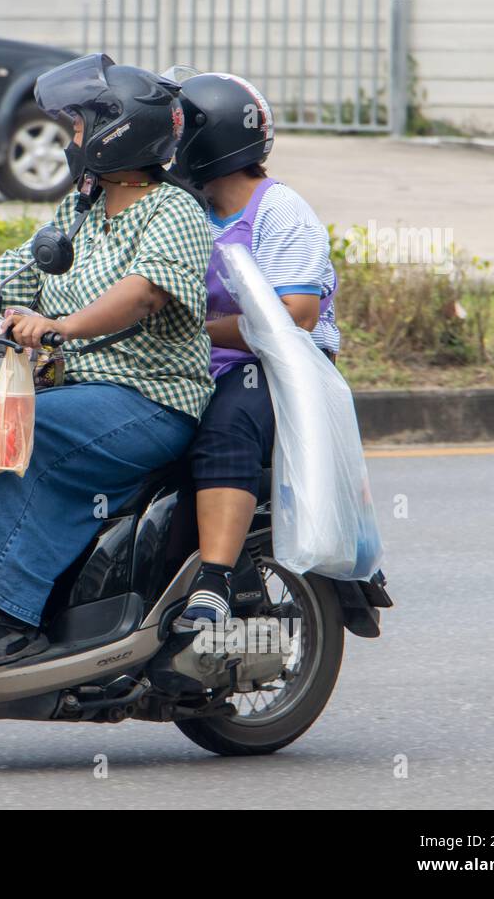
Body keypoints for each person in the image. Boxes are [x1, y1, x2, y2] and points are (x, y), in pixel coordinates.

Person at [0, 54, 215, 666]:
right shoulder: (84, 209)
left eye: (81, 127)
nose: (72, 141)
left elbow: (142, 292)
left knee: (2, 431)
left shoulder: (175, 212)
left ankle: (14, 615)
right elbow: (14, 270)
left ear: (120, 133)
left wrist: (60, 327)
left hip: (151, 400)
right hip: (84, 393)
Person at [167, 72, 342, 631]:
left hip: (282, 369)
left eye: (174, 136)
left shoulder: (279, 209)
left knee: (226, 422)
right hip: (204, 361)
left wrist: (194, 327)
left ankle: (215, 579)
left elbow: (295, 316)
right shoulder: (186, 210)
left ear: (204, 141)